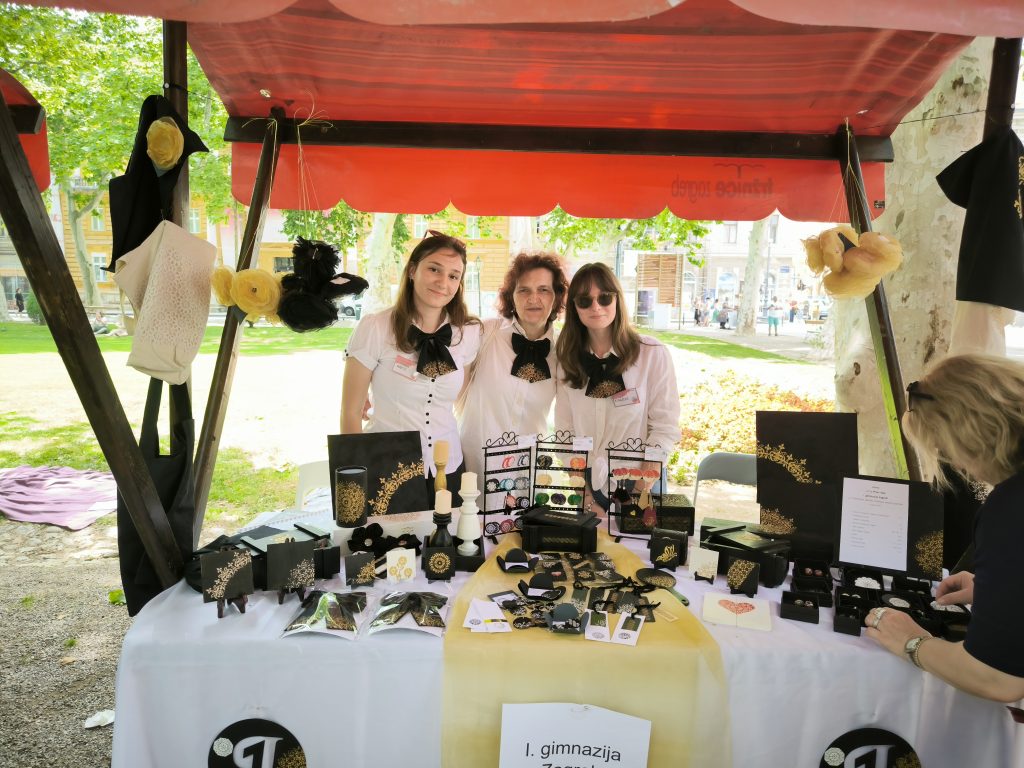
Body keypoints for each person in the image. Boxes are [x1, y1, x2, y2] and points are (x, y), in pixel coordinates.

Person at [864, 353, 1024, 703]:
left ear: (969, 435)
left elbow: (995, 678)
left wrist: (912, 642)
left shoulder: (1012, 507)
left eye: (944, 447)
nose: (958, 464)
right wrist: (1001, 592)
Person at [341, 231, 481, 501]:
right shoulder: (375, 327)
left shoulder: (469, 333)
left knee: (449, 529)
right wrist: (354, 484)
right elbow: (351, 411)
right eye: (434, 269)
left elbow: (458, 399)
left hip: (448, 467)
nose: (443, 282)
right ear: (413, 270)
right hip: (388, 466)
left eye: (454, 276)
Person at [555, 263, 681, 511]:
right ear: (575, 308)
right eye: (585, 301)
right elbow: (565, 434)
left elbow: (664, 427)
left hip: (642, 479)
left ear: (617, 300)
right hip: (588, 481)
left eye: (604, 298)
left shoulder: (652, 354)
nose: (596, 307)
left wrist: (638, 493)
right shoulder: (567, 360)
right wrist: (585, 496)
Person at [459, 252, 568, 480]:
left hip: (528, 473)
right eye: (524, 290)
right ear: (511, 296)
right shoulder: (484, 333)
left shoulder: (563, 351)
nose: (533, 298)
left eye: (543, 290)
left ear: (557, 297)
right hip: (475, 467)